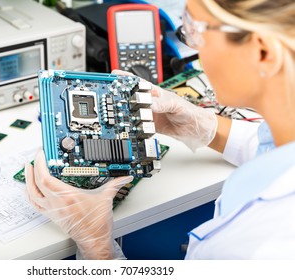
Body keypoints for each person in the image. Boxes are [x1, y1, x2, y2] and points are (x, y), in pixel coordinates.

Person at [25, 0, 295, 259]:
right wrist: (203, 126)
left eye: (196, 31)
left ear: (263, 52)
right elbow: (275, 149)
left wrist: (97, 248)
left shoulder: (266, 248)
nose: (194, 48)